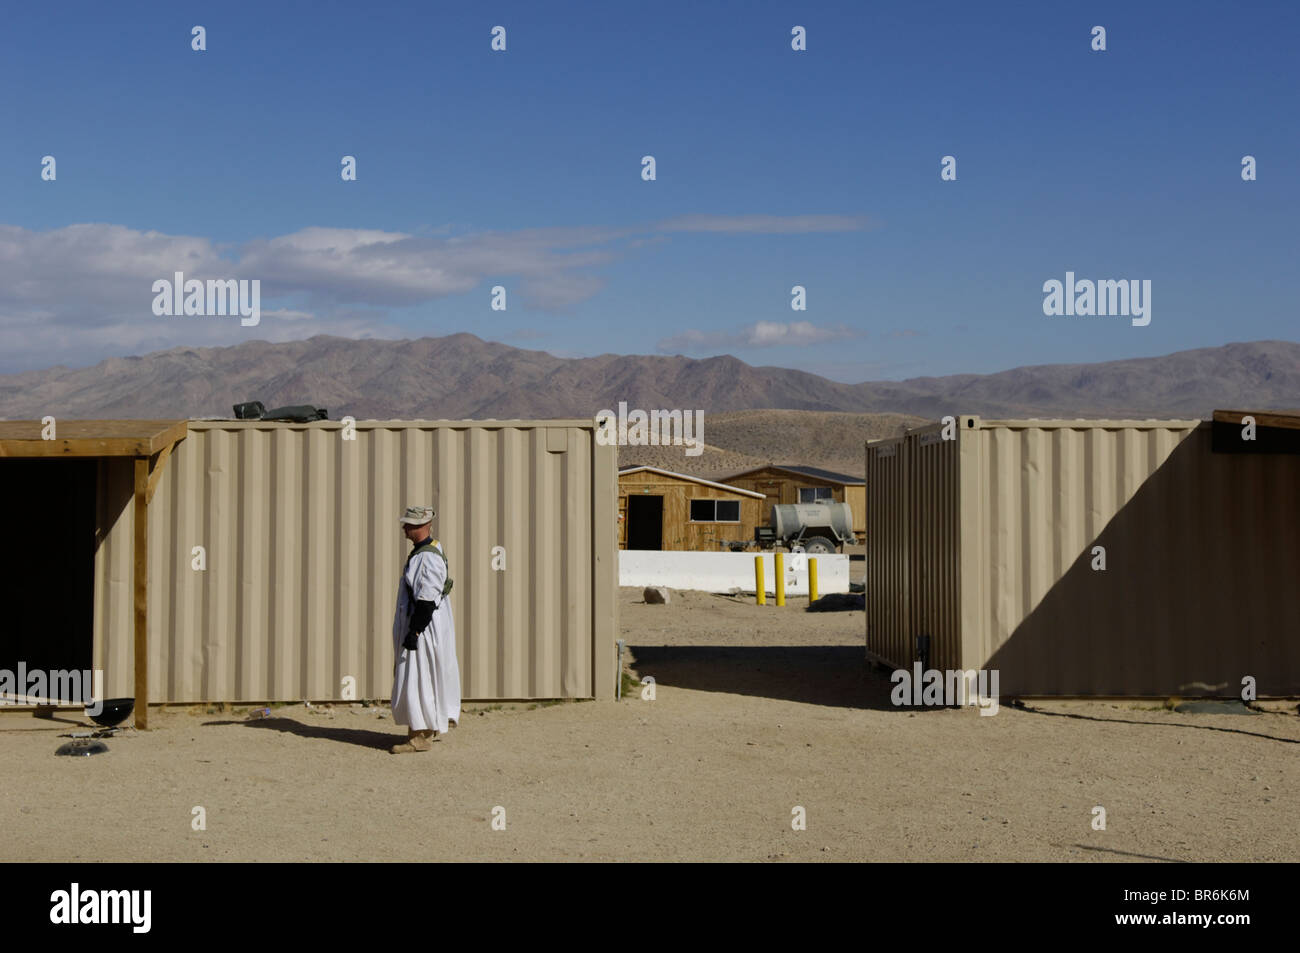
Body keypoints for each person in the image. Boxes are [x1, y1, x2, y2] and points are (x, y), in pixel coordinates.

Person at [389, 505, 462, 754]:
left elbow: (427, 599)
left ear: (422, 526)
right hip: (427, 624)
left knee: (419, 678)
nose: (404, 528)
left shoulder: (427, 557)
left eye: (408, 524)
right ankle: (425, 728)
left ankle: (420, 735)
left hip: (425, 628)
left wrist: (415, 631)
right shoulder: (427, 551)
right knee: (424, 676)